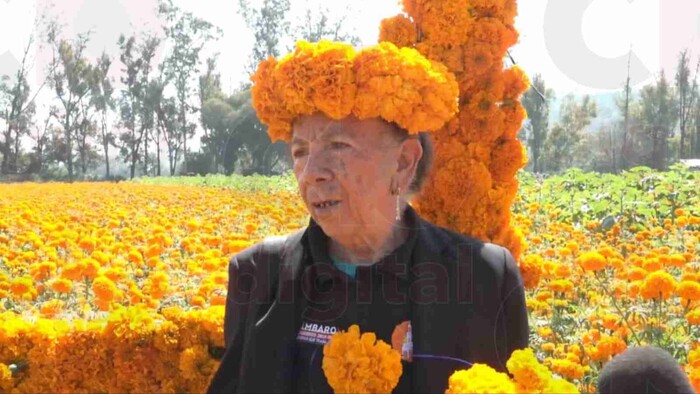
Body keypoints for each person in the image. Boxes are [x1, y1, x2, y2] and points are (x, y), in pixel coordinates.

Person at [206, 40, 529, 394]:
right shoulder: (258, 275)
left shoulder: (485, 276)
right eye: (300, 152)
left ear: (404, 162)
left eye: (338, 146)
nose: (311, 172)